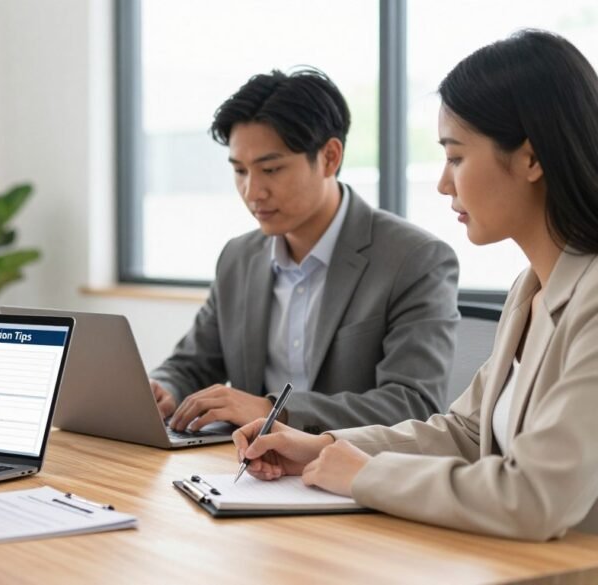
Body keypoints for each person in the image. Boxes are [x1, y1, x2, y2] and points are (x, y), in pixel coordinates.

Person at [234, 30, 598, 541]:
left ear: (531, 159)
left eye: (455, 157)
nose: (444, 184)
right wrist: (323, 448)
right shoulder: (531, 288)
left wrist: (365, 476)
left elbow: (538, 496)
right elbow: (465, 433)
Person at [150, 69, 459, 434]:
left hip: (351, 478)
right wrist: (163, 388)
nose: (252, 191)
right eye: (240, 171)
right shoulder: (238, 257)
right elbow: (193, 364)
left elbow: (413, 405)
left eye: (271, 169)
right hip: (244, 472)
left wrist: (273, 411)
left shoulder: (414, 259)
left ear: (330, 157)